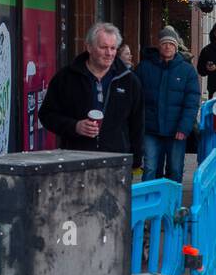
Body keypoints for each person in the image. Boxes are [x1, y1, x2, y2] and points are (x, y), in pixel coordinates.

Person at [39, 21, 143, 167]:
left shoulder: (129, 81)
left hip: (116, 162)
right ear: (89, 47)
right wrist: (74, 126)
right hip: (75, 160)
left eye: (113, 48)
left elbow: (137, 124)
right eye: (103, 47)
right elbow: (46, 115)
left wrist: (136, 160)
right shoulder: (66, 78)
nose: (109, 53)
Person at [135, 26, 201, 183]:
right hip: (151, 129)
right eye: (164, 43)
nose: (167, 47)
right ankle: (150, 204)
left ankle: (173, 205)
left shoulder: (187, 71)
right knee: (150, 168)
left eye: (171, 44)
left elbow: (192, 102)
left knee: (175, 169)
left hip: (176, 131)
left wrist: (184, 127)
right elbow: (135, 96)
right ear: (159, 45)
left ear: (176, 47)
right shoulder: (145, 67)